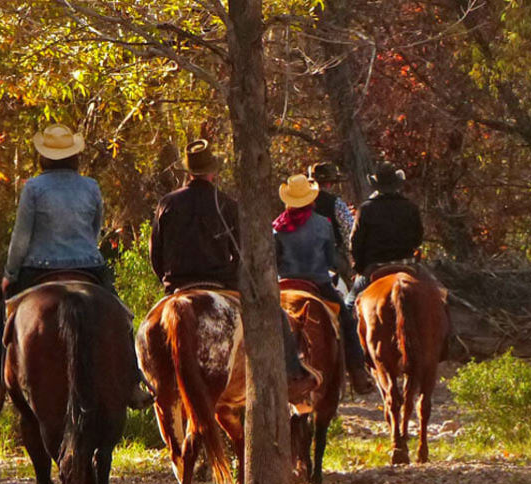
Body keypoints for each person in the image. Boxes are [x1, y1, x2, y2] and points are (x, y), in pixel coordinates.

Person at [0, 124, 152, 416]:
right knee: (120, 314)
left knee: (4, 316)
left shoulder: (34, 188)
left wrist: (10, 274)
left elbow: (21, 237)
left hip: (38, 267)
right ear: (73, 155)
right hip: (88, 264)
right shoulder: (90, 186)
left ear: (45, 157)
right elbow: (95, 229)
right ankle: (132, 382)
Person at [150, 140, 317, 401]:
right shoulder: (226, 204)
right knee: (279, 316)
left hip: (178, 286)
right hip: (220, 284)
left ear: (189, 171)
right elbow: (240, 252)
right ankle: (293, 377)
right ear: (212, 171)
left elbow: (155, 255)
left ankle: (139, 381)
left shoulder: (167, 203)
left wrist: (168, 282)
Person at [273, 174, 375, 394]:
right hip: (318, 283)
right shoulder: (323, 224)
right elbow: (329, 259)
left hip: (284, 285)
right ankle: (358, 373)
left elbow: (274, 259)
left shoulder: (278, 226)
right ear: (311, 200)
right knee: (347, 321)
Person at [345, 162, 424, 309]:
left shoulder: (366, 209)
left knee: (348, 304)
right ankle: (450, 331)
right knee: (441, 295)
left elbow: (355, 243)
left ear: (376, 185)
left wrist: (360, 268)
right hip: (407, 263)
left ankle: (348, 331)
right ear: (397, 184)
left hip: (375, 267)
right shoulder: (410, 207)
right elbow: (418, 238)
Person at [306, 162, 355, 280]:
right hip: (330, 255)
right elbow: (349, 232)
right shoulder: (336, 203)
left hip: (300, 257)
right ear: (329, 184)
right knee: (354, 286)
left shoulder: (299, 202)